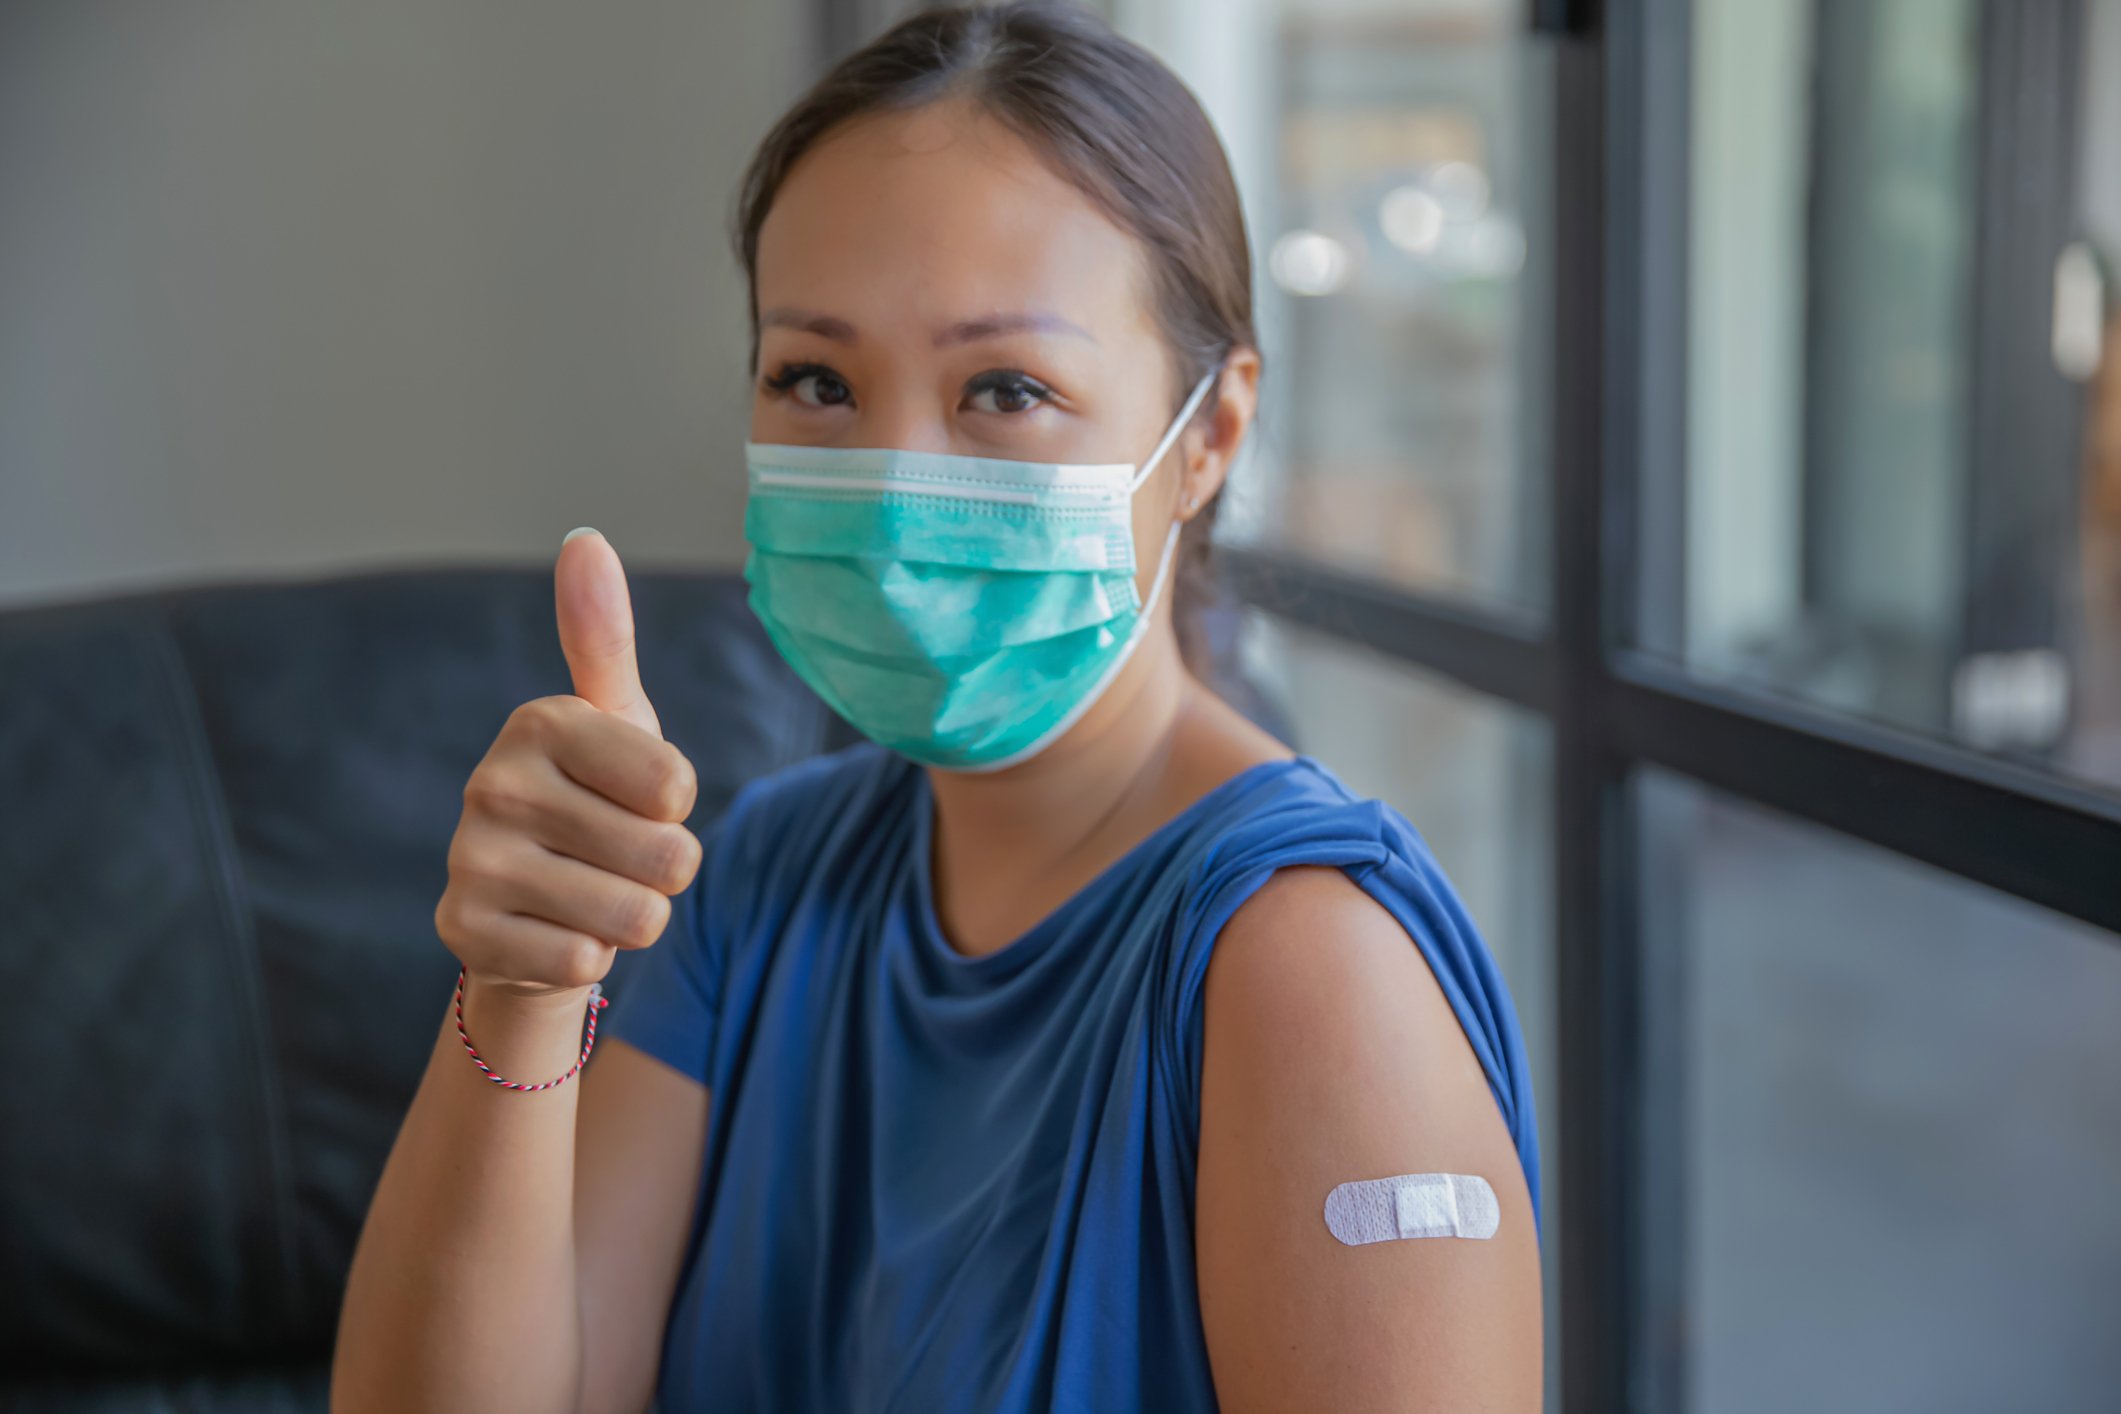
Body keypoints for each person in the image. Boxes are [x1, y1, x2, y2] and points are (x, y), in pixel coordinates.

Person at [331, 3, 1543, 1410]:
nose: (900, 486)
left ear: (1207, 433)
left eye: (1006, 389)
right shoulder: (760, 884)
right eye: (818, 381)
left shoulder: (1308, 969)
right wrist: (522, 991)